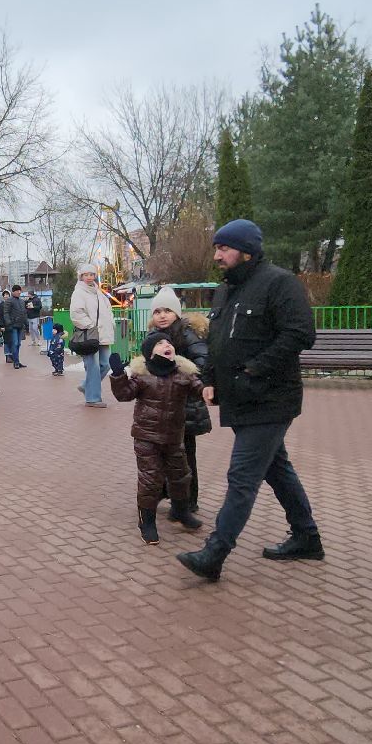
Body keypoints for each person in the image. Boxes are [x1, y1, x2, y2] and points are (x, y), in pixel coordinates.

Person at [176, 219, 321, 582]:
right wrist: (210, 378)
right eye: (216, 248)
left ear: (246, 251)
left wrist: (254, 370)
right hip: (239, 399)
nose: (217, 255)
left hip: (271, 398)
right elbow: (218, 341)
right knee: (276, 468)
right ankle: (306, 537)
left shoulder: (279, 283)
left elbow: (301, 334)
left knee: (242, 476)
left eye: (223, 248)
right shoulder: (226, 291)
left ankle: (216, 551)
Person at [108, 335, 206, 544]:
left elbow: (201, 390)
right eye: (160, 344)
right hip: (146, 437)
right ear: (150, 353)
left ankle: (181, 512)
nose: (166, 345)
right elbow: (124, 394)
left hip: (174, 437)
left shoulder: (184, 374)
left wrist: (212, 389)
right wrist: (118, 375)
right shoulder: (143, 375)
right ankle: (147, 522)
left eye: (169, 342)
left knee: (181, 476)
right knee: (150, 480)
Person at [147, 285, 210, 522]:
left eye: (167, 311)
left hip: (185, 406)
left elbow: (202, 361)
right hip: (164, 407)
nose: (162, 315)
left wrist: (179, 374)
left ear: (176, 313)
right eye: (157, 311)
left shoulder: (185, 333)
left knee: (184, 455)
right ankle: (170, 491)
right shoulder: (155, 337)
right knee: (166, 451)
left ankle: (188, 500)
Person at [69, 268, 116, 408]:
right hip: (90, 334)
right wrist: (90, 326)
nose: (89, 277)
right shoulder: (79, 292)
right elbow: (76, 313)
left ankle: (86, 386)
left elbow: (108, 310)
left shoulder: (99, 292)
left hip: (103, 334)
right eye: (86, 275)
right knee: (93, 366)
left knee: (106, 364)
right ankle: (93, 398)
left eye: (91, 274)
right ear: (81, 276)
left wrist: (111, 323)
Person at [1, 285, 30, 369]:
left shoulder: (21, 301)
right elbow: (5, 313)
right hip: (12, 326)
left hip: (20, 325)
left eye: (20, 291)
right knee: (15, 343)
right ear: (13, 292)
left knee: (18, 344)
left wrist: (26, 324)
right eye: (17, 291)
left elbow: (24, 313)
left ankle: (17, 360)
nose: (19, 292)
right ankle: (16, 362)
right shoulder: (9, 301)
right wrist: (8, 323)